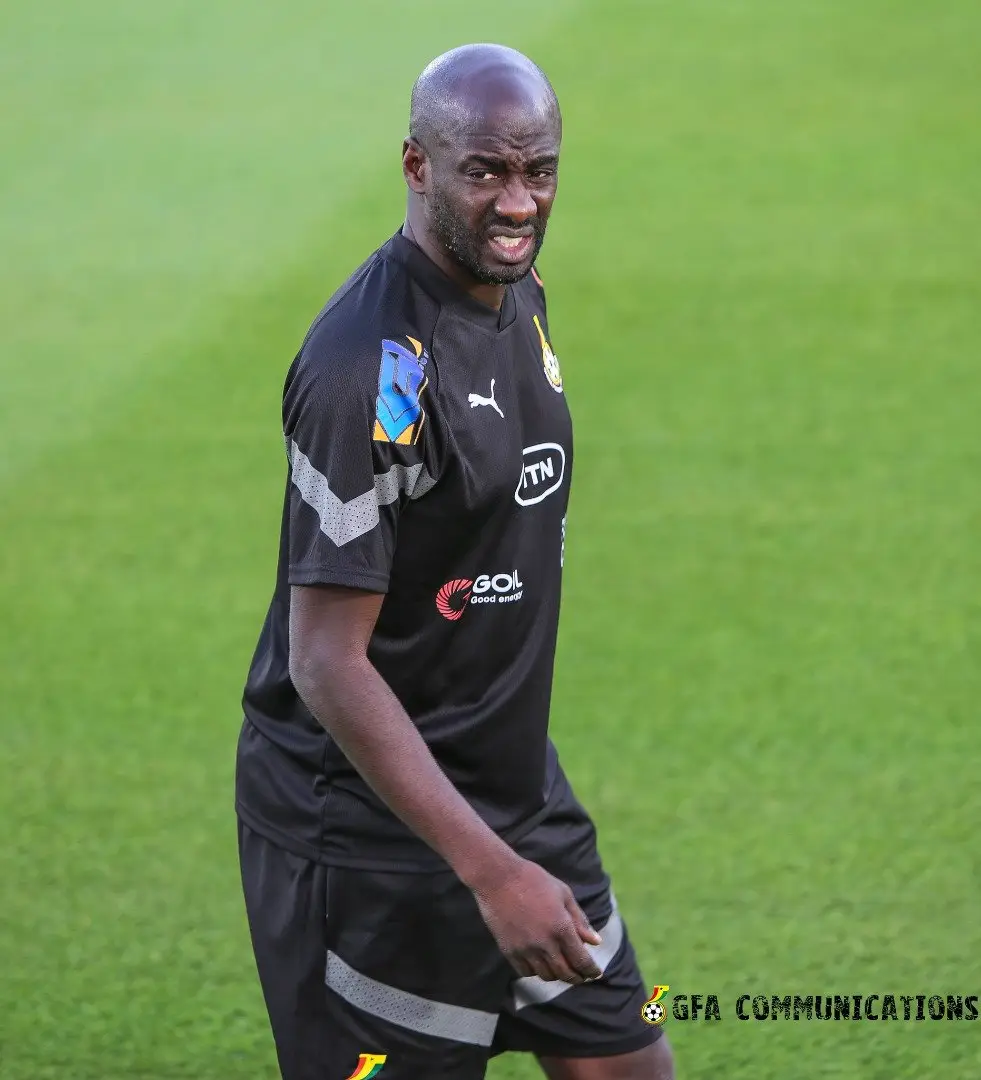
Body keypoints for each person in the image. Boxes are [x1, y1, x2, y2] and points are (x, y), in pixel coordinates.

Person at [235, 42, 675, 1080]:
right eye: (484, 171)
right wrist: (489, 873)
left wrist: (511, 855)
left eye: (539, 171)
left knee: (634, 1055)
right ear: (416, 165)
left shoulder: (514, 288)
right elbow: (326, 661)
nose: (518, 203)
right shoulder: (372, 372)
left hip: (521, 804)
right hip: (373, 845)